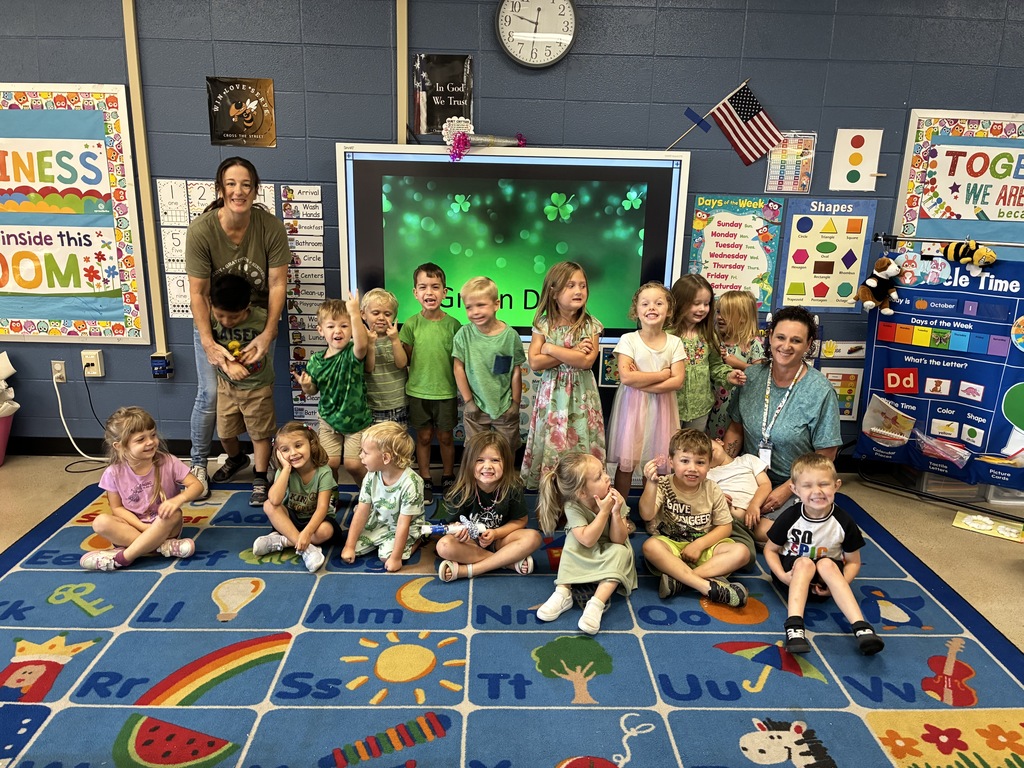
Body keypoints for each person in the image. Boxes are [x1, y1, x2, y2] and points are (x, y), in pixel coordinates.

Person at [185, 157, 289, 499]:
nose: (238, 191)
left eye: (245, 184)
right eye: (231, 183)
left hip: (257, 322)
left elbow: (276, 284)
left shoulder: (270, 227)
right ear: (221, 188)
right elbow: (198, 292)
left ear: (255, 189)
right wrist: (208, 343)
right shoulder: (202, 230)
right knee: (212, 394)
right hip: (214, 321)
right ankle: (198, 462)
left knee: (257, 391)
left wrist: (269, 331)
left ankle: (262, 465)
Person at [724, 306, 842, 523]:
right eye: (780, 337)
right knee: (714, 512)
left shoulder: (820, 390)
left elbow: (827, 454)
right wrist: (725, 471)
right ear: (769, 337)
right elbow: (735, 428)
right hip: (752, 477)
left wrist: (789, 488)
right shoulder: (751, 377)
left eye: (796, 341)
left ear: (808, 345)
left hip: (798, 482)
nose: (786, 346)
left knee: (766, 532)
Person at [762, 453, 884, 656]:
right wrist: (783, 576)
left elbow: (853, 562)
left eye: (824, 484)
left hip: (823, 582)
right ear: (794, 490)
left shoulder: (844, 521)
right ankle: (794, 628)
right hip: (791, 575)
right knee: (805, 563)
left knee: (827, 564)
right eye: (807, 486)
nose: (817, 492)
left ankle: (861, 627)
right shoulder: (790, 517)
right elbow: (770, 550)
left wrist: (838, 585)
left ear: (837, 485)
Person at [79, 407, 203, 571]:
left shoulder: (168, 462)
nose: (150, 442)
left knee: (174, 514)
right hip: (132, 527)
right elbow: (116, 508)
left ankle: (123, 558)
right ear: (119, 446)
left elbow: (197, 486)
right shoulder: (113, 472)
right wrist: (143, 527)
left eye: (152, 435)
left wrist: (178, 499)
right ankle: (161, 548)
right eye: (140, 440)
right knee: (100, 522)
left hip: (165, 526)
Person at [639, 429, 750, 607]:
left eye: (700, 462)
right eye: (684, 461)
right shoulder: (664, 484)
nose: (692, 468)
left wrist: (699, 545)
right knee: (650, 546)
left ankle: (681, 581)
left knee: (741, 552)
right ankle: (706, 586)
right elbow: (647, 514)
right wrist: (651, 484)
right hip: (671, 546)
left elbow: (725, 527)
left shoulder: (712, 488)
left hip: (704, 547)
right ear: (671, 462)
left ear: (709, 465)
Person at [521, 261, 605, 490]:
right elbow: (535, 362)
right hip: (553, 400)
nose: (579, 291)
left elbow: (586, 362)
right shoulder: (543, 324)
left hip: (581, 396)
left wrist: (551, 349)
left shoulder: (591, 325)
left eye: (583, 285)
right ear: (554, 291)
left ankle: (582, 499)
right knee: (553, 444)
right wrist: (572, 352)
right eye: (571, 285)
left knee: (580, 445)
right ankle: (552, 500)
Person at [535, 453, 637, 635]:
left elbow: (618, 540)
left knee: (622, 552)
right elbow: (587, 540)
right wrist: (603, 512)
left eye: (604, 471)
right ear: (582, 493)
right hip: (586, 547)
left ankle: (596, 604)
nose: (607, 477)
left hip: (610, 549)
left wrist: (614, 512)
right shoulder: (573, 506)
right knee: (572, 540)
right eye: (599, 476)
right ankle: (563, 592)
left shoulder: (614, 498)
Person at [605, 281, 687, 502]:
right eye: (645, 303)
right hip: (632, 409)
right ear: (636, 310)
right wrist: (662, 375)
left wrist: (642, 380)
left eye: (659, 303)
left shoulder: (675, 342)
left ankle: (651, 509)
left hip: (663, 411)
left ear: (668, 310)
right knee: (627, 462)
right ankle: (620, 510)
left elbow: (678, 381)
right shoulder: (628, 340)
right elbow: (627, 377)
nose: (652, 308)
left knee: (658, 463)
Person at [207, 273, 276, 506]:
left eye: (233, 317)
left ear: (246, 306)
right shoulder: (209, 319)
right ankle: (236, 459)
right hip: (226, 385)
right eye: (220, 315)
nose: (226, 321)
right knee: (225, 433)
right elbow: (210, 347)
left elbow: (271, 333)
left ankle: (260, 476)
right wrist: (228, 366)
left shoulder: (261, 318)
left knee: (259, 434)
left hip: (257, 387)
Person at [435, 431, 541, 581]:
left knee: (533, 537)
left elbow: (520, 521)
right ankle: (508, 563)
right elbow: (452, 524)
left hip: (501, 540)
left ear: (506, 462)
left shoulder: (512, 487)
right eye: (480, 460)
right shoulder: (460, 490)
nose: (488, 466)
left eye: (495, 460)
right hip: (470, 543)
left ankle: (468, 570)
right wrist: (458, 530)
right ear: (469, 463)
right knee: (444, 546)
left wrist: (496, 534)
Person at [399, 263, 462, 504]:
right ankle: (424, 478)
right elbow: (405, 359)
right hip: (418, 392)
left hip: (445, 392)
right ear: (415, 293)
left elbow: (459, 362)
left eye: (436, 287)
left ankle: (448, 476)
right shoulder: (411, 324)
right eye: (423, 287)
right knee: (423, 438)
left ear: (445, 292)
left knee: (446, 438)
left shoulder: (454, 325)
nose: (430, 292)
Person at [294, 293, 371, 488]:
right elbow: (313, 390)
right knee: (329, 463)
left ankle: (369, 496)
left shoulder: (353, 352)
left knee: (354, 465)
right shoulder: (316, 361)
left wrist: (354, 313)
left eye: (344, 326)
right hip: (328, 420)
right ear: (320, 330)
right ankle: (330, 496)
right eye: (331, 326)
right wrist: (306, 386)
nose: (338, 331)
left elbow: (363, 344)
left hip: (356, 421)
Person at [252, 422, 341, 573]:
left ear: (311, 444)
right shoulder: (284, 471)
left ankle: (283, 540)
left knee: (326, 530)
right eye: (285, 450)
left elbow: (322, 508)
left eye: (298, 446)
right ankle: (307, 550)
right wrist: (286, 469)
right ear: (279, 454)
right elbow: (274, 501)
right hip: (290, 519)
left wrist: (306, 534)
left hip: (316, 522)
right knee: (268, 505)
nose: (293, 453)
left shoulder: (324, 471)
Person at [452, 277, 526, 451]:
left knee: (507, 450)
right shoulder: (463, 335)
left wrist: (515, 403)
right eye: (469, 307)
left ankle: (506, 479)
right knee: (475, 450)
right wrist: (469, 401)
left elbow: (515, 371)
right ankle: (475, 479)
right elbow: (458, 368)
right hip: (476, 407)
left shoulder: (510, 336)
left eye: (481, 305)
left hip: (504, 406)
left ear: (496, 304)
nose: (475, 312)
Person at [341, 421, 426, 572]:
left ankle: (417, 539)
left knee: (386, 558)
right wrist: (349, 546)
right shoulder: (371, 475)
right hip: (379, 520)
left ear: (386, 458)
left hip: (405, 525)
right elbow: (362, 511)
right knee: (356, 547)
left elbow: (403, 523)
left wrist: (396, 558)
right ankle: (384, 542)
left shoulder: (411, 483)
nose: (360, 456)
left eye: (365, 453)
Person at [669, 274, 745, 433]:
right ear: (679, 302)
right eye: (696, 303)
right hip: (669, 407)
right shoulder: (666, 334)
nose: (702, 309)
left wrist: (728, 375)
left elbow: (716, 367)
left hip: (700, 409)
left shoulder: (709, 335)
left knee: (691, 451)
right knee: (666, 450)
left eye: (707, 303)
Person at [707, 290, 765, 440]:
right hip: (712, 408)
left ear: (743, 317)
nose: (719, 317)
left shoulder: (753, 344)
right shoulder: (714, 341)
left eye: (726, 313)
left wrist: (737, 364)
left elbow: (761, 376)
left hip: (737, 413)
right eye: (718, 312)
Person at [707, 437, 771, 565]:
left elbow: (765, 484)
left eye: (708, 445)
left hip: (753, 517)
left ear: (719, 441)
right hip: (724, 519)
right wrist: (716, 499)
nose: (707, 451)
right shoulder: (707, 473)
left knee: (773, 534)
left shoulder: (748, 459)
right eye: (702, 453)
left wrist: (754, 505)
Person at [361, 288, 409, 426]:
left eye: (387, 314)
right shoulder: (360, 341)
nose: (381, 318)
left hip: (398, 404)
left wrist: (394, 340)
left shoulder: (398, 338)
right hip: (373, 406)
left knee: (398, 445)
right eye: (375, 313)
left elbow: (402, 364)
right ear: (363, 314)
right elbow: (368, 368)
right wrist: (370, 344)